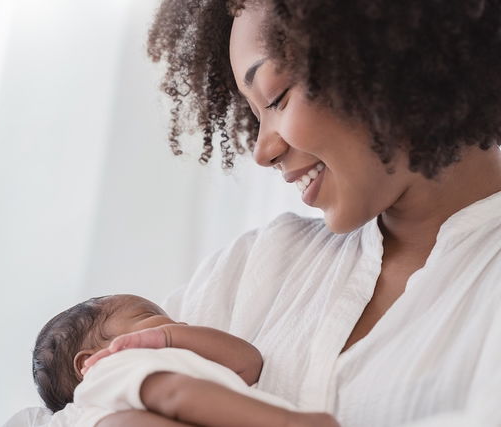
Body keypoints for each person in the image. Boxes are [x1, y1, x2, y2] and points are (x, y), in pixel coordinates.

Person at [96, 0, 501, 426]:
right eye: (254, 116)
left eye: (276, 97)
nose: (263, 151)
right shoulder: (255, 265)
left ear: (390, 57)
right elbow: (65, 406)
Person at [30, 294, 335, 426]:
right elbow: (175, 394)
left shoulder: (186, 362)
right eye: (150, 316)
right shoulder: (109, 368)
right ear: (90, 361)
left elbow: (249, 362)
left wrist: (169, 337)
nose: (177, 324)